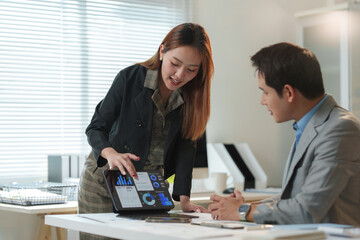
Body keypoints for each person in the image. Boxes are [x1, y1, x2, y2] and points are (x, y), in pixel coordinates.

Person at [78, 23, 214, 239]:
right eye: (175, 64)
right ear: (162, 52)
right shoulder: (129, 78)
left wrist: (184, 199)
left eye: (191, 69)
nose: (180, 75)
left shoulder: (192, 96)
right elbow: (95, 128)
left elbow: (187, 147)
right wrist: (111, 153)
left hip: (149, 187)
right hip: (104, 182)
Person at [208, 42, 360, 225]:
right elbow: (294, 197)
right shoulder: (308, 125)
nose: (262, 101)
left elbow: (307, 210)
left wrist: (243, 211)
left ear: (288, 92)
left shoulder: (340, 129)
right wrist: (242, 205)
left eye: (265, 92)